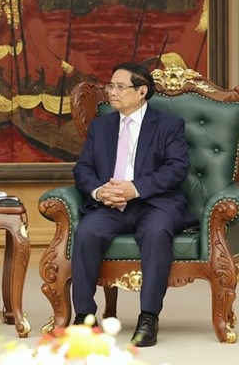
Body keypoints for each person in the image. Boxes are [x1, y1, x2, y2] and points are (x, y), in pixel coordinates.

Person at [70, 62, 196, 347]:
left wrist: (135, 189)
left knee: (156, 232)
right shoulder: (101, 126)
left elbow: (176, 169)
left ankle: (148, 317)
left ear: (141, 91)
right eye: (110, 86)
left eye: (119, 86)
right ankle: (84, 317)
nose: (111, 92)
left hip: (154, 204)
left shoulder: (167, 125)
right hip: (110, 205)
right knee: (87, 232)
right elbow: (83, 169)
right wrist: (100, 192)